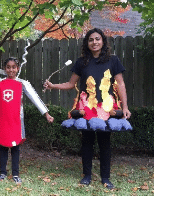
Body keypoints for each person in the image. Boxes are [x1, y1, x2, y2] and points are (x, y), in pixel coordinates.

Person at [43, 28, 131, 189]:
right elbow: (71, 84)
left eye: (97, 39)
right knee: (87, 142)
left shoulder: (113, 60)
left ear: (103, 41)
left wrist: (125, 107)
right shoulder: (81, 62)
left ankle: (105, 177)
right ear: (87, 43)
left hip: (106, 108)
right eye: (91, 39)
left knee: (105, 142)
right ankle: (87, 175)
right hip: (87, 108)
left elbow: (121, 84)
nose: (94, 42)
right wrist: (53, 85)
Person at [0, 57, 54, 184]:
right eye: (8, 67)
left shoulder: (22, 83)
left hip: (16, 121)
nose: (11, 70)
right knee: (3, 146)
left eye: (13, 67)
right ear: (5, 69)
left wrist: (46, 114)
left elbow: (34, 98)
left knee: (15, 148)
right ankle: (2, 173)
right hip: (3, 120)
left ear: (18, 68)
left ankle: (15, 174)